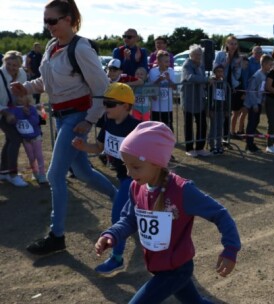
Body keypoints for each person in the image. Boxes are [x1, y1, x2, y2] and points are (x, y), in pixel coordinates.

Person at [11, 0, 118, 255]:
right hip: (62, 117)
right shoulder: (52, 46)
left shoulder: (80, 48)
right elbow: (47, 82)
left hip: (76, 118)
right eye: (45, 20)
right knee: (82, 172)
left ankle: (57, 236)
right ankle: (123, 200)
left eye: (52, 20)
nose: (47, 26)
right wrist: (25, 88)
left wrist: (89, 120)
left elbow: (103, 89)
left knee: (54, 175)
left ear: (69, 19)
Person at [94, 121, 241, 303]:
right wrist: (112, 234)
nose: (129, 173)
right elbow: (130, 219)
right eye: (126, 166)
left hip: (177, 269)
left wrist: (230, 249)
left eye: (136, 167)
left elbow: (220, 214)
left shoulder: (182, 190)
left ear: (156, 162)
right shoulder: (136, 187)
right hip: (158, 265)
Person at [72, 83, 140, 275]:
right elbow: (99, 147)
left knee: (117, 214)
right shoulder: (108, 121)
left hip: (134, 178)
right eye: (105, 103)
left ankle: (117, 258)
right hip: (123, 176)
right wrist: (82, 147)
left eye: (111, 104)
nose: (106, 107)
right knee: (137, 211)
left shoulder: (136, 127)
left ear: (126, 106)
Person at [0, 51, 29, 187]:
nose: (11, 67)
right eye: (8, 64)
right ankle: (12, 174)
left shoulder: (22, 74)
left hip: (13, 111)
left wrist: (24, 104)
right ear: (4, 62)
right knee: (16, 138)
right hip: (2, 111)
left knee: (10, 139)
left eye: (15, 65)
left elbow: (23, 92)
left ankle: (3, 171)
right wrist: (6, 113)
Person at [181, 45, 211, 157]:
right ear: (191, 55)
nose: (199, 56)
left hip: (200, 98)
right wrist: (206, 80)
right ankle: (189, 148)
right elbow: (190, 77)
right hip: (189, 99)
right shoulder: (187, 64)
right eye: (196, 54)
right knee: (188, 124)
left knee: (202, 124)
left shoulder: (201, 65)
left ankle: (200, 148)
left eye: (200, 54)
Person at [9, 95, 47, 184]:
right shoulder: (15, 109)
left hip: (36, 137)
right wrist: (13, 119)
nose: (19, 98)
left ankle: (42, 174)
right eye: (17, 97)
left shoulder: (32, 109)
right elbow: (13, 123)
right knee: (31, 157)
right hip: (25, 139)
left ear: (27, 99)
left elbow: (36, 122)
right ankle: (35, 173)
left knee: (39, 156)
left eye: (21, 97)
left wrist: (28, 114)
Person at [213, 35, 242, 141]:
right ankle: (217, 137)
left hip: (230, 87)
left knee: (227, 113)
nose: (233, 46)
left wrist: (237, 66)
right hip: (220, 86)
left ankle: (225, 138)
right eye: (231, 43)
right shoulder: (220, 54)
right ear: (227, 44)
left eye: (235, 44)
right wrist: (227, 62)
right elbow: (215, 69)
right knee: (219, 111)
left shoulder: (237, 57)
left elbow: (237, 75)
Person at [244, 54, 273, 153]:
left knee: (255, 122)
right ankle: (249, 144)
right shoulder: (257, 75)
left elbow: (262, 90)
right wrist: (255, 104)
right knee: (252, 123)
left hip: (259, 102)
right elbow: (251, 91)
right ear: (264, 64)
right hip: (253, 104)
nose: (271, 66)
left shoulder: (265, 75)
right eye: (270, 64)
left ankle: (251, 143)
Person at [148, 50, 175, 131]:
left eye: (168, 61)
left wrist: (168, 79)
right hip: (156, 107)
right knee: (155, 128)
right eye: (166, 61)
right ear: (159, 62)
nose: (168, 63)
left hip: (167, 107)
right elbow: (151, 87)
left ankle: (169, 143)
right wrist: (159, 79)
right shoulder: (153, 71)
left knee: (168, 128)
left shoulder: (171, 71)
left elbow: (174, 87)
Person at [208, 64, 228, 155]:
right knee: (213, 127)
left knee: (220, 127)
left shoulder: (224, 83)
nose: (220, 73)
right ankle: (212, 146)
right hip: (213, 108)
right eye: (218, 71)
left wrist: (226, 109)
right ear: (214, 72)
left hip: (221, 109)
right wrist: (209, 109)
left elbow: (226, 97)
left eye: (221, 71)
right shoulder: (212, 83)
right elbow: (209, 97)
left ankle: (219, 145)